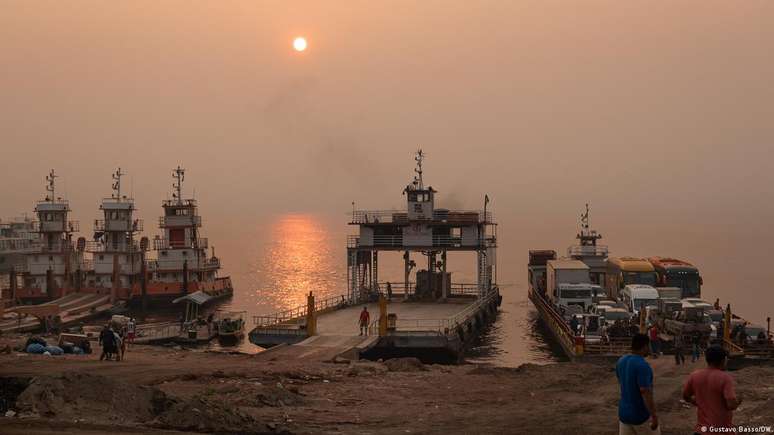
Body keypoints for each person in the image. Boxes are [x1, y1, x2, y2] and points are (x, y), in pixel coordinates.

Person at [682, 345, 741, 434]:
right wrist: (738, 401)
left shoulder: (695, 375)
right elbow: (731, 405)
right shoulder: (725, 378)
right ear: (723, 360)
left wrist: (697, 401)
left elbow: (686, 396)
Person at [616, 333, 660, 434]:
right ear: (644, 346)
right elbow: (645, 392)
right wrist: (654, 416)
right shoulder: (642, 365)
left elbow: (621, 383)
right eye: (649, 346)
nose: (649, 348)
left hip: (624, 415)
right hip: (640, 417)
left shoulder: (621, 361)